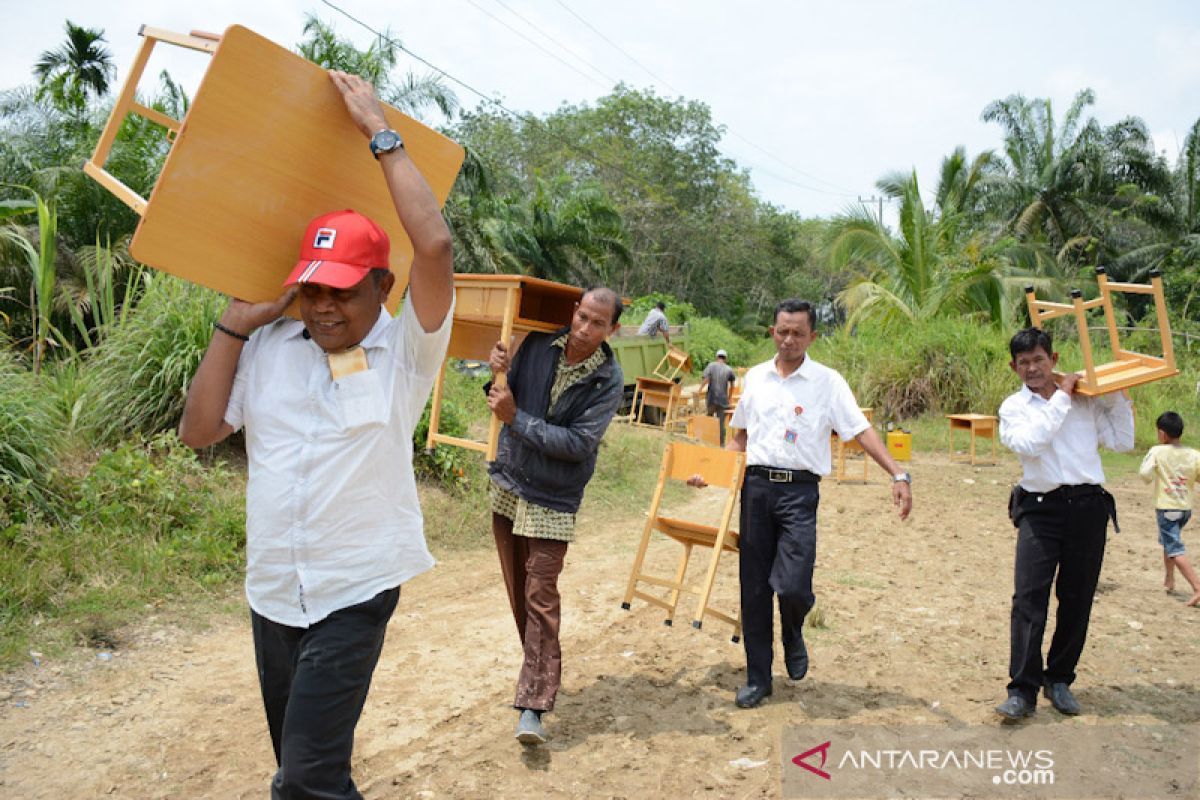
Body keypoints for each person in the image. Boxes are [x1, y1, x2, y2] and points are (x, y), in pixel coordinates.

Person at [177, 70, 454, 798]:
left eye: (345, 289)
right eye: (312, 288)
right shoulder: (266, 348)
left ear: (381, 288)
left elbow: (434, 246)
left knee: (300, 780)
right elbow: (199, 431)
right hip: (271, 591)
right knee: (313, 774)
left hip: (353, 589)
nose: (326, 307)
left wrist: (378, 132)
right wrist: (235, 324)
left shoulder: (405, 353)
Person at [690, 298, 912, 709]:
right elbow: (739, 438)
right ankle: (758, 678)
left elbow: (860, 430)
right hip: (755, 489)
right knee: (753, 589)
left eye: (798, 333)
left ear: (812, 336)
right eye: (782, 331)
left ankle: (793, 630)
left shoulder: (827, 382)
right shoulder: (754, 377)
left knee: (792, 585)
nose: (789, 339)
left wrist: (897, 473)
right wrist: (713, 472)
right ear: (772, 332)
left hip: (799, 493)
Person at [485, 287, 625, 745]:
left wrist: (516, 419)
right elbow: (501, 397)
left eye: (597, 323)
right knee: (519, 595)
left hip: (554, 499)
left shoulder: (608, 380)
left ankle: (533, 706)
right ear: (574, 311)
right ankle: (536, 673)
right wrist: (497, 375)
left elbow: (578, 444)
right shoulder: (537, 346)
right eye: (582, 316)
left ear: (613, 329)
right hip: (510, 484)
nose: (585, 329)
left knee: (541, 596)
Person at [995, 327, 1133, 721]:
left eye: (1039, 359)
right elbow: (1031, 444)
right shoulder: (1014, 407)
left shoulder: (1083, 401)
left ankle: (1059, 679)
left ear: (1053, 359)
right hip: (1040, 508)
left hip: (1088, 507)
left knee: (1077, 597)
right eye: (1024, 363)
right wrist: (1062, 398)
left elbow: (1122, 441)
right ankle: (1022, 689)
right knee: (1028, 598)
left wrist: (1117, 397)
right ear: (1014, 367)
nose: (1032, 368)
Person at [1139, 411, 1200, 606]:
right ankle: (1169, 579)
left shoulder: (1158, 451)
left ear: (1162, 433)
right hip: (1185, 508)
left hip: (1167, 507)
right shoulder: (1194, 454)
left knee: (1174, 547)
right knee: (1168, 541)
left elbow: (1145, 474)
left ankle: (1197, 587)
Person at [699, 348, 737, 445]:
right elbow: (732, 385)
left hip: (711, 399)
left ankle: (707, 441)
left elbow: (706, 379)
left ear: (717, 357)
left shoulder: (711, 366)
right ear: (726, 358)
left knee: (709, 418)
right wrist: (729, 398)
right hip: (723, 401)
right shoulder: (729, 369)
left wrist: (699, 390)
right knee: (721, 424)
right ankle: (721, 445)